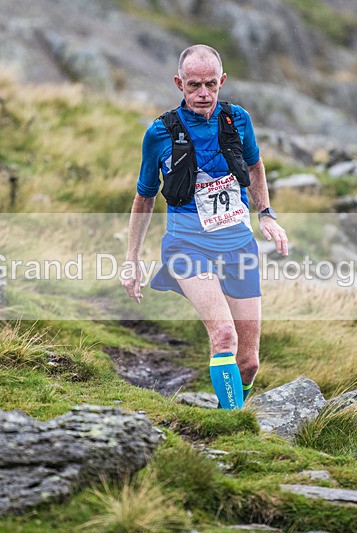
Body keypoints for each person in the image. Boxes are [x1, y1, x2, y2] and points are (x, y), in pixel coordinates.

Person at [120, 44, 288, 409]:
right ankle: (235, 428)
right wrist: (131, 259)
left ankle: (235, 410)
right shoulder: (159, 134)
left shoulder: (238, 119)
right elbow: (145, 198)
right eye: (194, 85)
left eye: (211, 84)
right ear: (179, 83)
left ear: (222, 81)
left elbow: (256, 167)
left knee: (248, 362)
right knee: (224, 334)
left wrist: (267, 214)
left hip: (238, 246)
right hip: (187, 247)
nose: (203, 94)